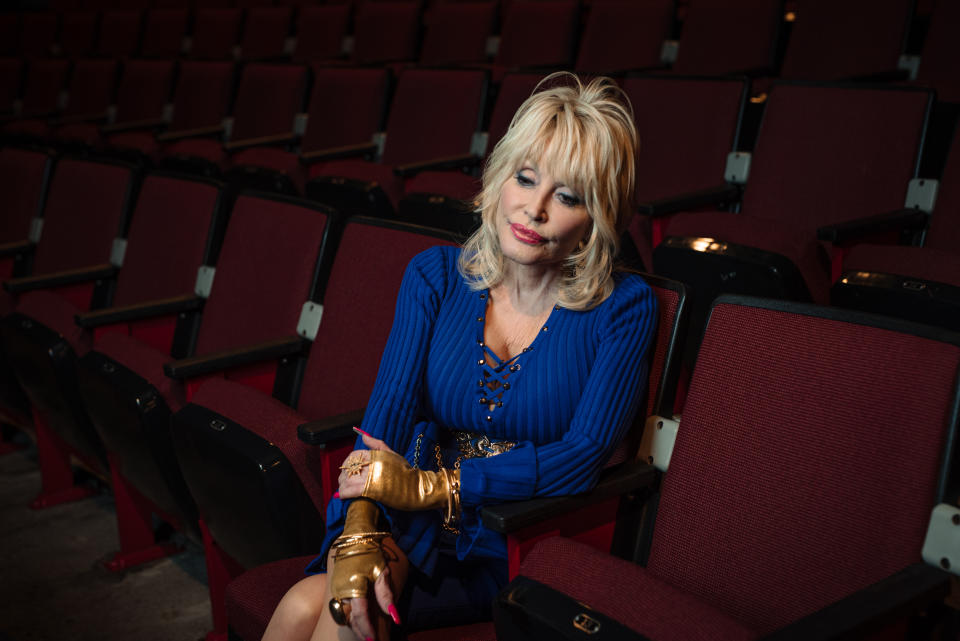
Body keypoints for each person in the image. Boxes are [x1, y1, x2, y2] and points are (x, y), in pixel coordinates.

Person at [262, 71, 658, 641]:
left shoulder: (623, 307)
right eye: (525, 178)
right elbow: (385, 424)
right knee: (317, 604)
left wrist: (435, 486)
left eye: (567, 196)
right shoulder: (434, 276)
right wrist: (357, 530)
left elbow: (583, 455)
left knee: (335, 616)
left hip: (521, 537)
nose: (535, 208)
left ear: (596, 220)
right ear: (500, 179)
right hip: (415, 525)